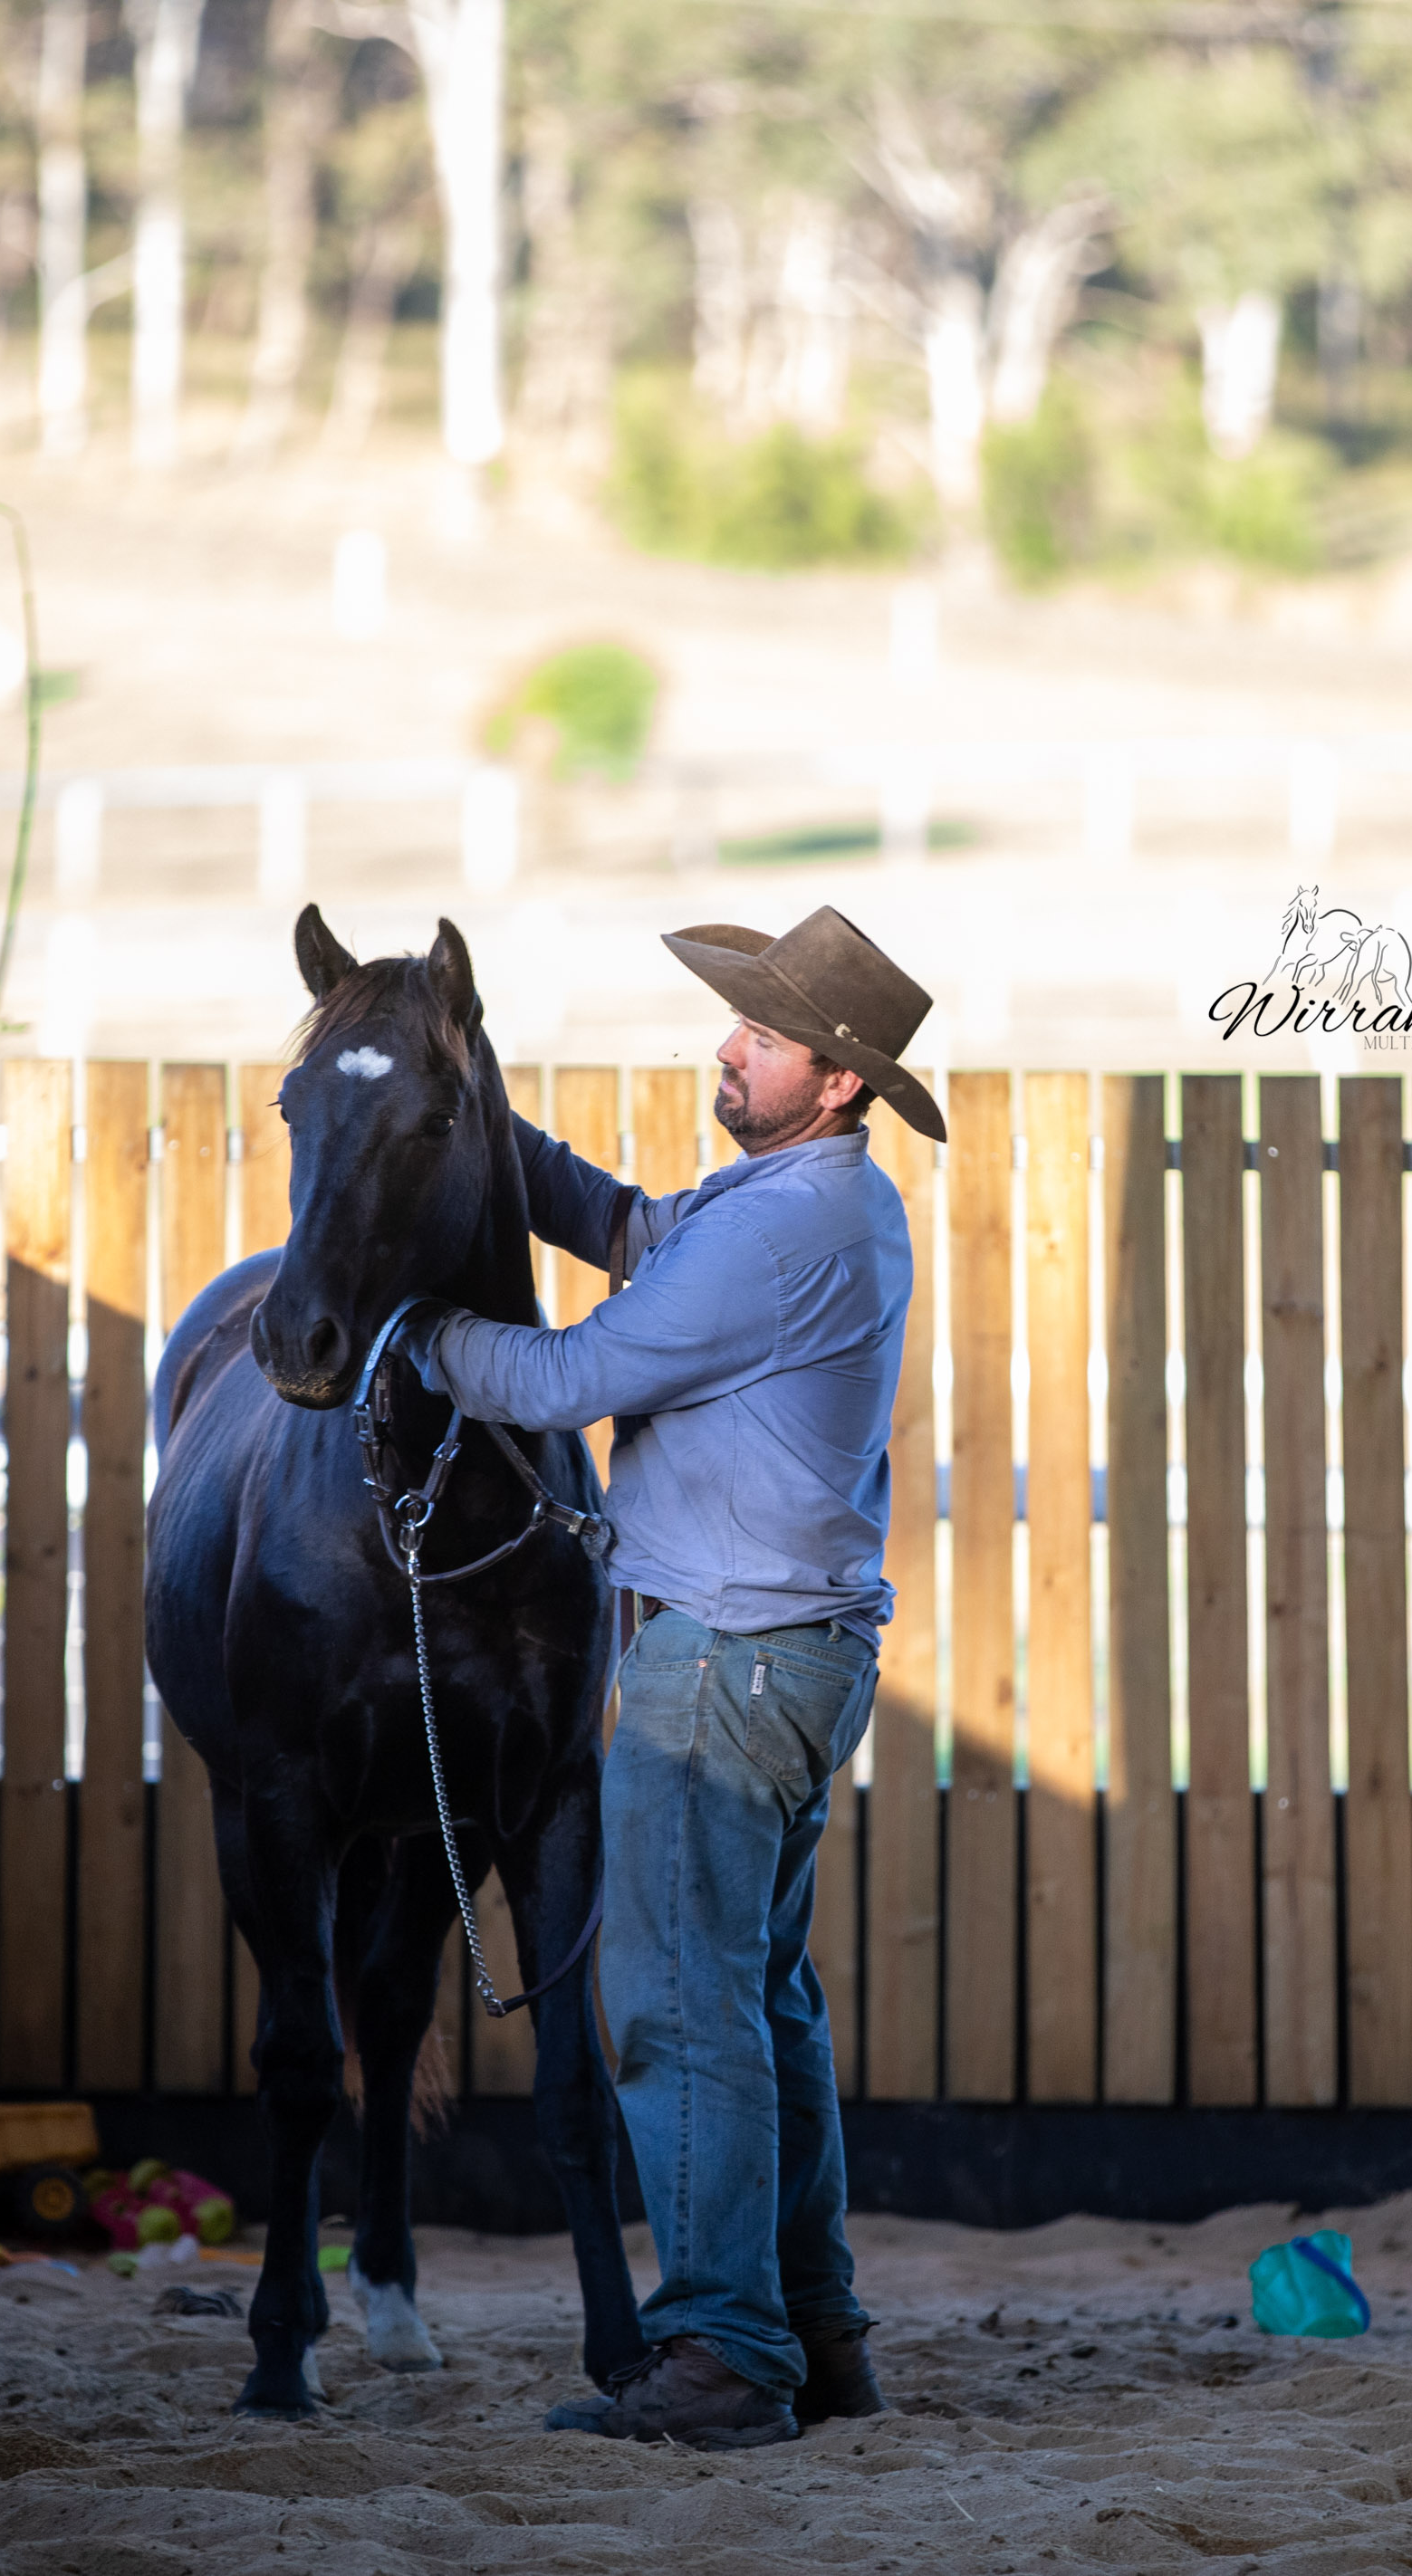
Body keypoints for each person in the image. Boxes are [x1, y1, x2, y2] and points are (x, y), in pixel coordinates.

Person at [397, 903, 944, 2451]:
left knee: (679, 2007)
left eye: (762, 1035)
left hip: (725, 1668)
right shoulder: (815, 1200)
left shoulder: (781, 1229)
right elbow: (638, 1227)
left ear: (836, 1078)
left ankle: (722, 2354)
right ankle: (814, 2336)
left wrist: (423, 1331)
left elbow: (571, 1374)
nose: (728, 1047)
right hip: (788, 1658)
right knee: (759, 2003)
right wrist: (485, 1124)